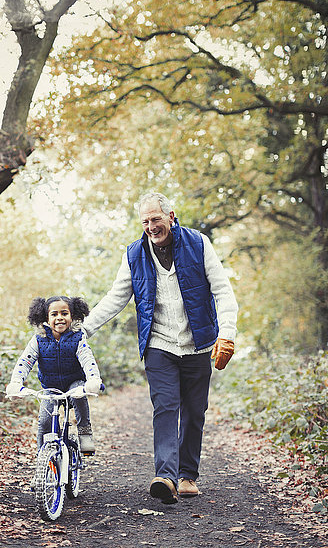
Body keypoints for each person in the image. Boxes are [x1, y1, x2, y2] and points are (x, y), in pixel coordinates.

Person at [83, 192, 238, 504]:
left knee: (195, 412)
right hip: (158, 344)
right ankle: (165, 477)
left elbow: (222, 289)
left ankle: (187, 475)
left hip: (198, 344)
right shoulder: (134, 254)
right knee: (166, 407)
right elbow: (117, 296)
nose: (151, 226)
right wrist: (83, 328)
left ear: (171, 216)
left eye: (155, 219)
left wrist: (228, 333)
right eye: (145, 222)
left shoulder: (198, 243)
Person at [6, 295, 102, 455]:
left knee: (79, 396)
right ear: (45, 318)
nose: (59, 318)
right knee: (44, 420)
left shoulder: (78, 337)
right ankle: (42, 456)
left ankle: (85, 432)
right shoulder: (39, 339)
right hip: (51, 387)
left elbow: (87, 359)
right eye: (54, 314)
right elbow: (25, 362)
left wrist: (93, 379)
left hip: (74, 382)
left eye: (64, 313)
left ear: (72, 316)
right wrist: (16, 382)